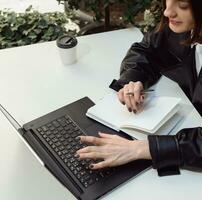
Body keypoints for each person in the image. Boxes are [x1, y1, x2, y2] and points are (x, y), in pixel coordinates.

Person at [75, 0, 202, 176]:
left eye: (182, 5)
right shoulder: (186, 26)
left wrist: (141, 149)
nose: (167, 12)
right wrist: (134, 79)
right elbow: (146, 50)